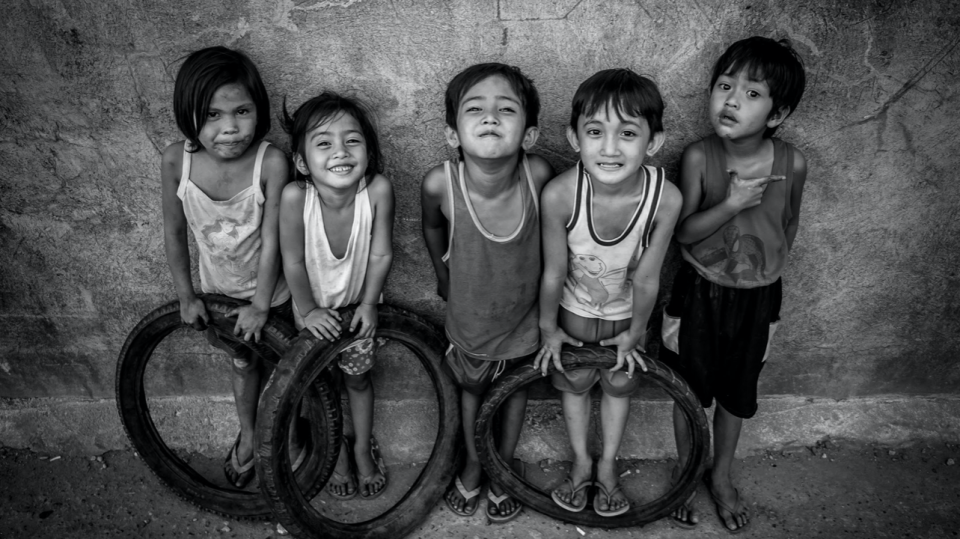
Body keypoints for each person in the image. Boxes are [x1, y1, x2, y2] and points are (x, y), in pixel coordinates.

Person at [661, 36, 807, 533]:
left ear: (777, 113)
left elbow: (787, 229)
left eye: (752, 93)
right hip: (698, 291)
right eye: (725, 86)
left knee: (736, 394)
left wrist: (761, 269)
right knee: (687, 390)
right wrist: (733, 204)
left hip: (758, 298)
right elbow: (684, 232)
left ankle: (720, 477)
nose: (732, 100)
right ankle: (686, 472)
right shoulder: (700, 157)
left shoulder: (792, 164)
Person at [535, 68, 681, 517]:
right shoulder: (560, 194)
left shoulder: (665, 198)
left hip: (625, 319)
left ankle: (608, 469)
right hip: (574, 315)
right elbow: (553, 273)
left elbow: (648, 277)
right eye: (595, 131)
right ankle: (581, 464)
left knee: (619, 391)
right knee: (575, 389)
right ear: (574, 138)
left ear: (653, 142)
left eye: (628, 133)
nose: (610, 147)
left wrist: (637, 332)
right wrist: (548, 330)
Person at [421, 63, 554, 522]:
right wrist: (443, 276)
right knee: (472, 389)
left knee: (515, 391)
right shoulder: (441, 183)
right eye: (474, 109)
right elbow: (432, 225)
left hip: (525, 320)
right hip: (471, 319)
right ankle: (475, 463)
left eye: (506, 109)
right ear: (452, 134)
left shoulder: (538, 175)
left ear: (531, 134)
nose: (490, 118)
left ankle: (502, 466)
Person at [160, 46, 292, 488]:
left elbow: (275, 239)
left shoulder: (270, 162)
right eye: (212, 115)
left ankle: (286, 440)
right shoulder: (177, 161)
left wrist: (260, 304)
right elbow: (174, 232)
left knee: (284, 371)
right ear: (188, 114)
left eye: (241, 111)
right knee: (242, 365)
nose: (230, 128)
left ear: (259, 110)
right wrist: (185, 294)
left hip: (274, 298)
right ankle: (251, 437)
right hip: (220, 297)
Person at [279, 92, 395, 500]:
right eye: (323, 143)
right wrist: (309, 311)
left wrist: (368, 303)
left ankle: (362, 448)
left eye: (352, 140)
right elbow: (291, 262)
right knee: (319, 387)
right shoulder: (296, 198)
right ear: (301, 162)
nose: (340, 152)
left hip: (358, 313)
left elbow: (381, 253)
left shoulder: (376, 190)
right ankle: (333, 454)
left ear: (368, 149)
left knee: (358, 381)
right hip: (312, 317)